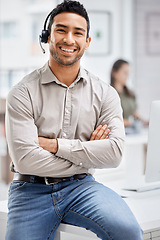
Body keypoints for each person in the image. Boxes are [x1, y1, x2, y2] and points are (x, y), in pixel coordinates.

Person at [5, 1, 143, 240]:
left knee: (130, 232)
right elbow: (26, 160)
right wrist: (89, 155)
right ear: (48, 36)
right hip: (30, 190)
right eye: (61, 30)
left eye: (78, 32)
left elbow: (115, 154)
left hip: (82, 187)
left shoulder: (105, 94)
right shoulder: (22, 92)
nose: (69, 39)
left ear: (87, 41)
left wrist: (54, 145)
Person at [110, 59, 148, 128]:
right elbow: (109, 119)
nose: (127, 76)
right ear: (115, 73)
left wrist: (144, 122)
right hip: (116, 130)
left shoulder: (130, 93)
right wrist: (128, 123)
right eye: (125, 73)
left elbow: (135, 114)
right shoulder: (108, 93)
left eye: (128, 73)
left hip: (130, 130)